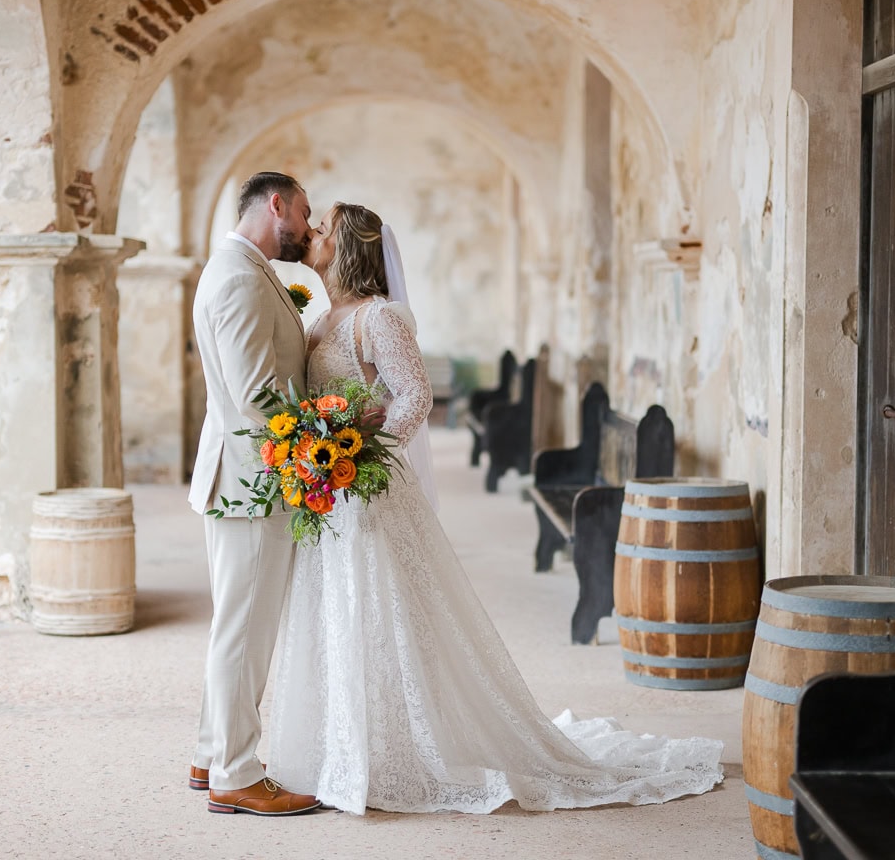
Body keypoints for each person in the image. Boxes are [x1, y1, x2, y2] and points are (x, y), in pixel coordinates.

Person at [266, 202, 725, 815]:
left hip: (368, 487)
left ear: (347, 245)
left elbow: (415, 398)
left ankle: (392, 751)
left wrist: (355, 447)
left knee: (381, 612)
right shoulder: (322, 320)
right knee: (340, 611)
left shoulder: (378, 319)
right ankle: (344, 749)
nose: (312, 233)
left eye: (322, 228)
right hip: (331, 493)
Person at [186, 171, 322, 816]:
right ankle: (235, 774)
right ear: (276, 205)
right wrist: (319, 438)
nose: (307, 224)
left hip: (243, 474)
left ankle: (212, 750)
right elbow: (254, 395)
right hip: (253, 480)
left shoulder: (243, 267)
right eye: (303, 210)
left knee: (235, 625)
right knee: (244, 631)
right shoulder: (239, 276)